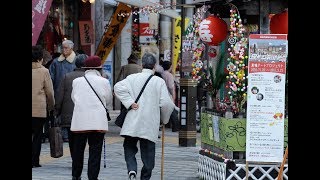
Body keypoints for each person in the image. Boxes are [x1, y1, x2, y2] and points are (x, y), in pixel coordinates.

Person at [114, 53, 175, 180]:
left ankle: (132, 170)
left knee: (129, 147)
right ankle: (145, 176)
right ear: (154, 66)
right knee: (148, 153)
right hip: (149, 123)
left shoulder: (132, 78)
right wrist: (164, 119)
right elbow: (166, 103)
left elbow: (117, 87)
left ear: (142, 65)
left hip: (132, 121)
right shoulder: (159, 81)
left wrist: (130, 102)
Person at [70, 55, 113, 180]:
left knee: (78, 150)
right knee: (95, 151)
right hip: (98, 121)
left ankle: (76, 175)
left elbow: (74, 98)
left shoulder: (76, 81)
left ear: (85, 68)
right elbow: (108, 100)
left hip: (80, 121)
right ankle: (92, 177)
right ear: (99, 68)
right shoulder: (104, 81)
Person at [55, 54, 88, 158]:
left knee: (71, 137)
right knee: (82, 138)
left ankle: (74, 157)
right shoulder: (89, 77)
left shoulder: (67, 76)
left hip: (68, 114)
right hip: (84, 114)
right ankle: (79, 158)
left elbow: (60, 95)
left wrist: (57, 110)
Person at [49, 40, 77, 142]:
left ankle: (70, 134)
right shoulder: (56, 62)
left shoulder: (76, 60)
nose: (64, 50)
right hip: (58, 91)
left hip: (73, 91)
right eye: (63, 48)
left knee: (71, 112)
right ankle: (62, 134)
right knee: (59, 112)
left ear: (71, 48)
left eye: (66, 48)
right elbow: (51, 77)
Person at [32, 45, 55, 168]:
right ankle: (34, 161)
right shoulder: (44, 71)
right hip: (38, 110)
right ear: (40, 58)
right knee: (37, 136)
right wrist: (51, 106)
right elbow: (50, 92)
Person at [161, 61, 179, 132]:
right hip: (168, 94)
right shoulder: (169, 75)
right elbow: (171, 87)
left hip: (161, 94)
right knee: (172, 110)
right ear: (169, 67)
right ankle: (175, 126)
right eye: (171, 66)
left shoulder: (161, 73)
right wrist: (173, 95)